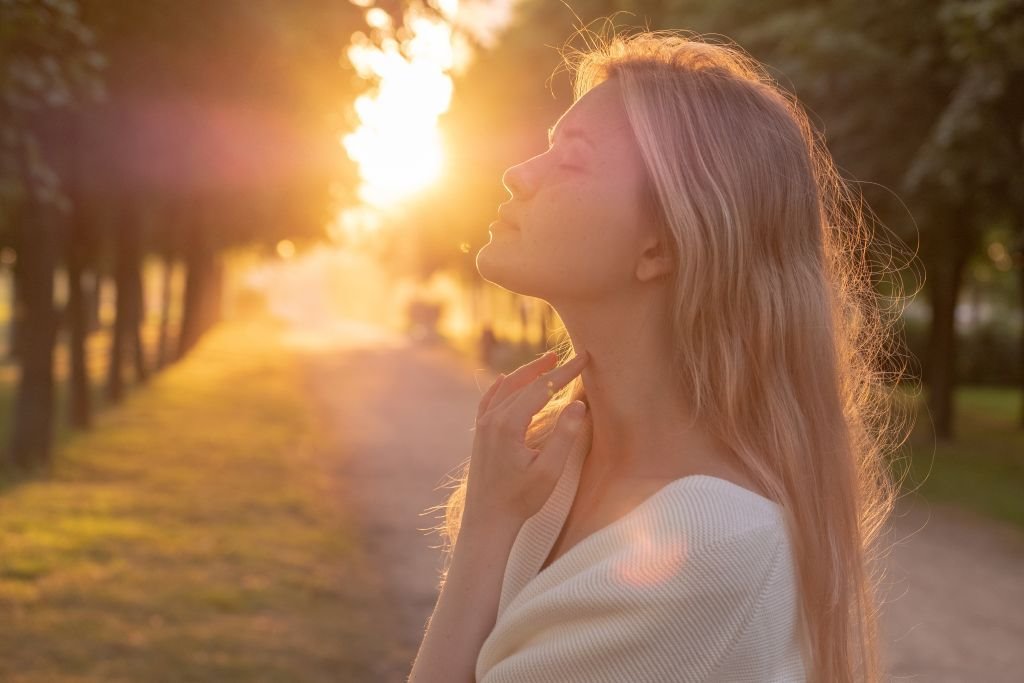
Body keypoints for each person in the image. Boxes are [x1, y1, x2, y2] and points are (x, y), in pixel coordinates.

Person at [409, 26, 914, 683]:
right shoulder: (558, 468)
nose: (517, 173)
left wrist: (484, 532)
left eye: (571, 158)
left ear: (661, 247)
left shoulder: (709, 548)